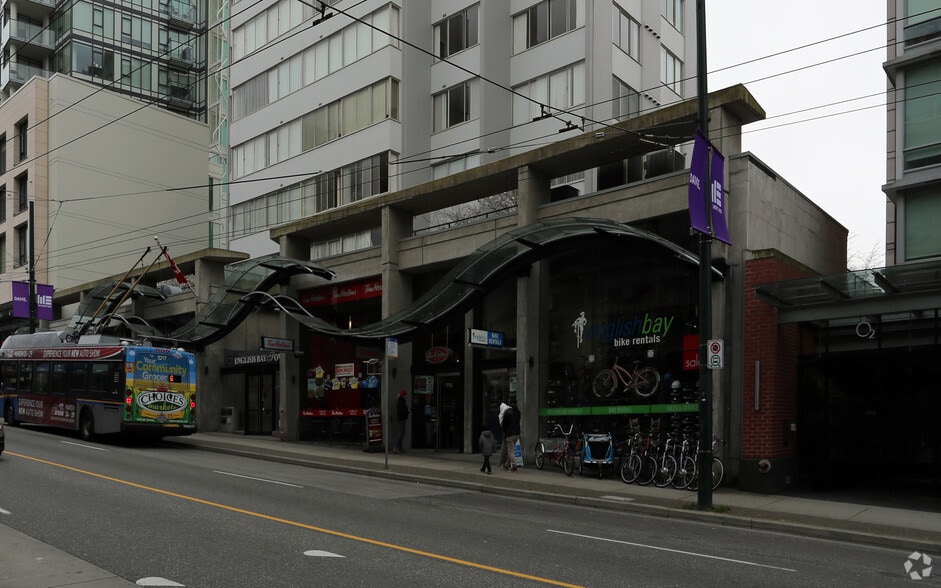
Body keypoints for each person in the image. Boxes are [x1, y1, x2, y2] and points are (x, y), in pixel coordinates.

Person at [501, 402, 520, 472]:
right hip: (517, 434)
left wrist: (504, 432)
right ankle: (506, 464)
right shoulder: (518, 412)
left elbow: (504, 424)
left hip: (509, 434)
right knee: (511, 450)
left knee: (511, 451)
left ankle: (514, 466)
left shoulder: (507, 413)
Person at [394, 389, 409, 453]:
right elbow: (402, 411)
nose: (406, 396)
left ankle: (399, 447)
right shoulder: (401, 402)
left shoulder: (401, 401)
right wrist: (408, 411)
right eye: (405, 395)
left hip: (401, 419)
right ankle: (396, 447)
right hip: (402, 419)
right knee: (400, 434)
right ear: (403, 395)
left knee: (401, 434)